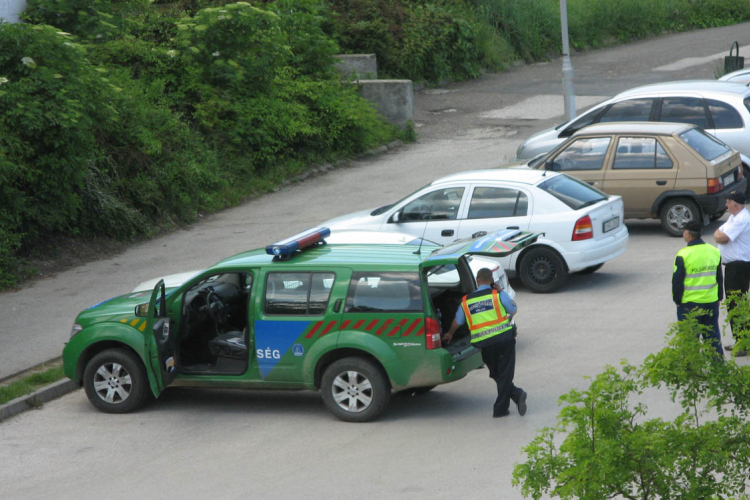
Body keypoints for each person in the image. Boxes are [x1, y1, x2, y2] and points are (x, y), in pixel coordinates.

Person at [443, 268, 527, 418]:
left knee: (497, 373)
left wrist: (450, 333)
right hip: (504, 340)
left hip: (484, 345)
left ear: (478, 280)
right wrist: (501, 291)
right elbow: (513, 310)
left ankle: (502, 407)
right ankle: (515, 395)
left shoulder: (466, 301)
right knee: (503, 374)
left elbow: (458, 321)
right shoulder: (498, 295)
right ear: (492, 281)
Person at [673, 221, 724, 356]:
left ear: (689, 235)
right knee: (712, 337)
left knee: (690, 339)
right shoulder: (713, 251)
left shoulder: (683, 254)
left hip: (689, 304)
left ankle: (691, 371)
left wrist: (677, 300)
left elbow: (677, 281)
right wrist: (719, 296)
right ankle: (718, 367)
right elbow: (719, 276)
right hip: (711, 301)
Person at [714, 190, 750, 356]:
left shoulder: (742, 218)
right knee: (734, 304)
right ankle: (740, 340)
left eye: (728, 202)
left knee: (737, 304)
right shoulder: (733, 217)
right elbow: (719, 232)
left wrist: (719, 235)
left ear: (735, 204)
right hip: (733, 266)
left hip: (738, 267)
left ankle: (744, 343)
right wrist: (718, 235)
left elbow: (722, 237)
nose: (726, 205)